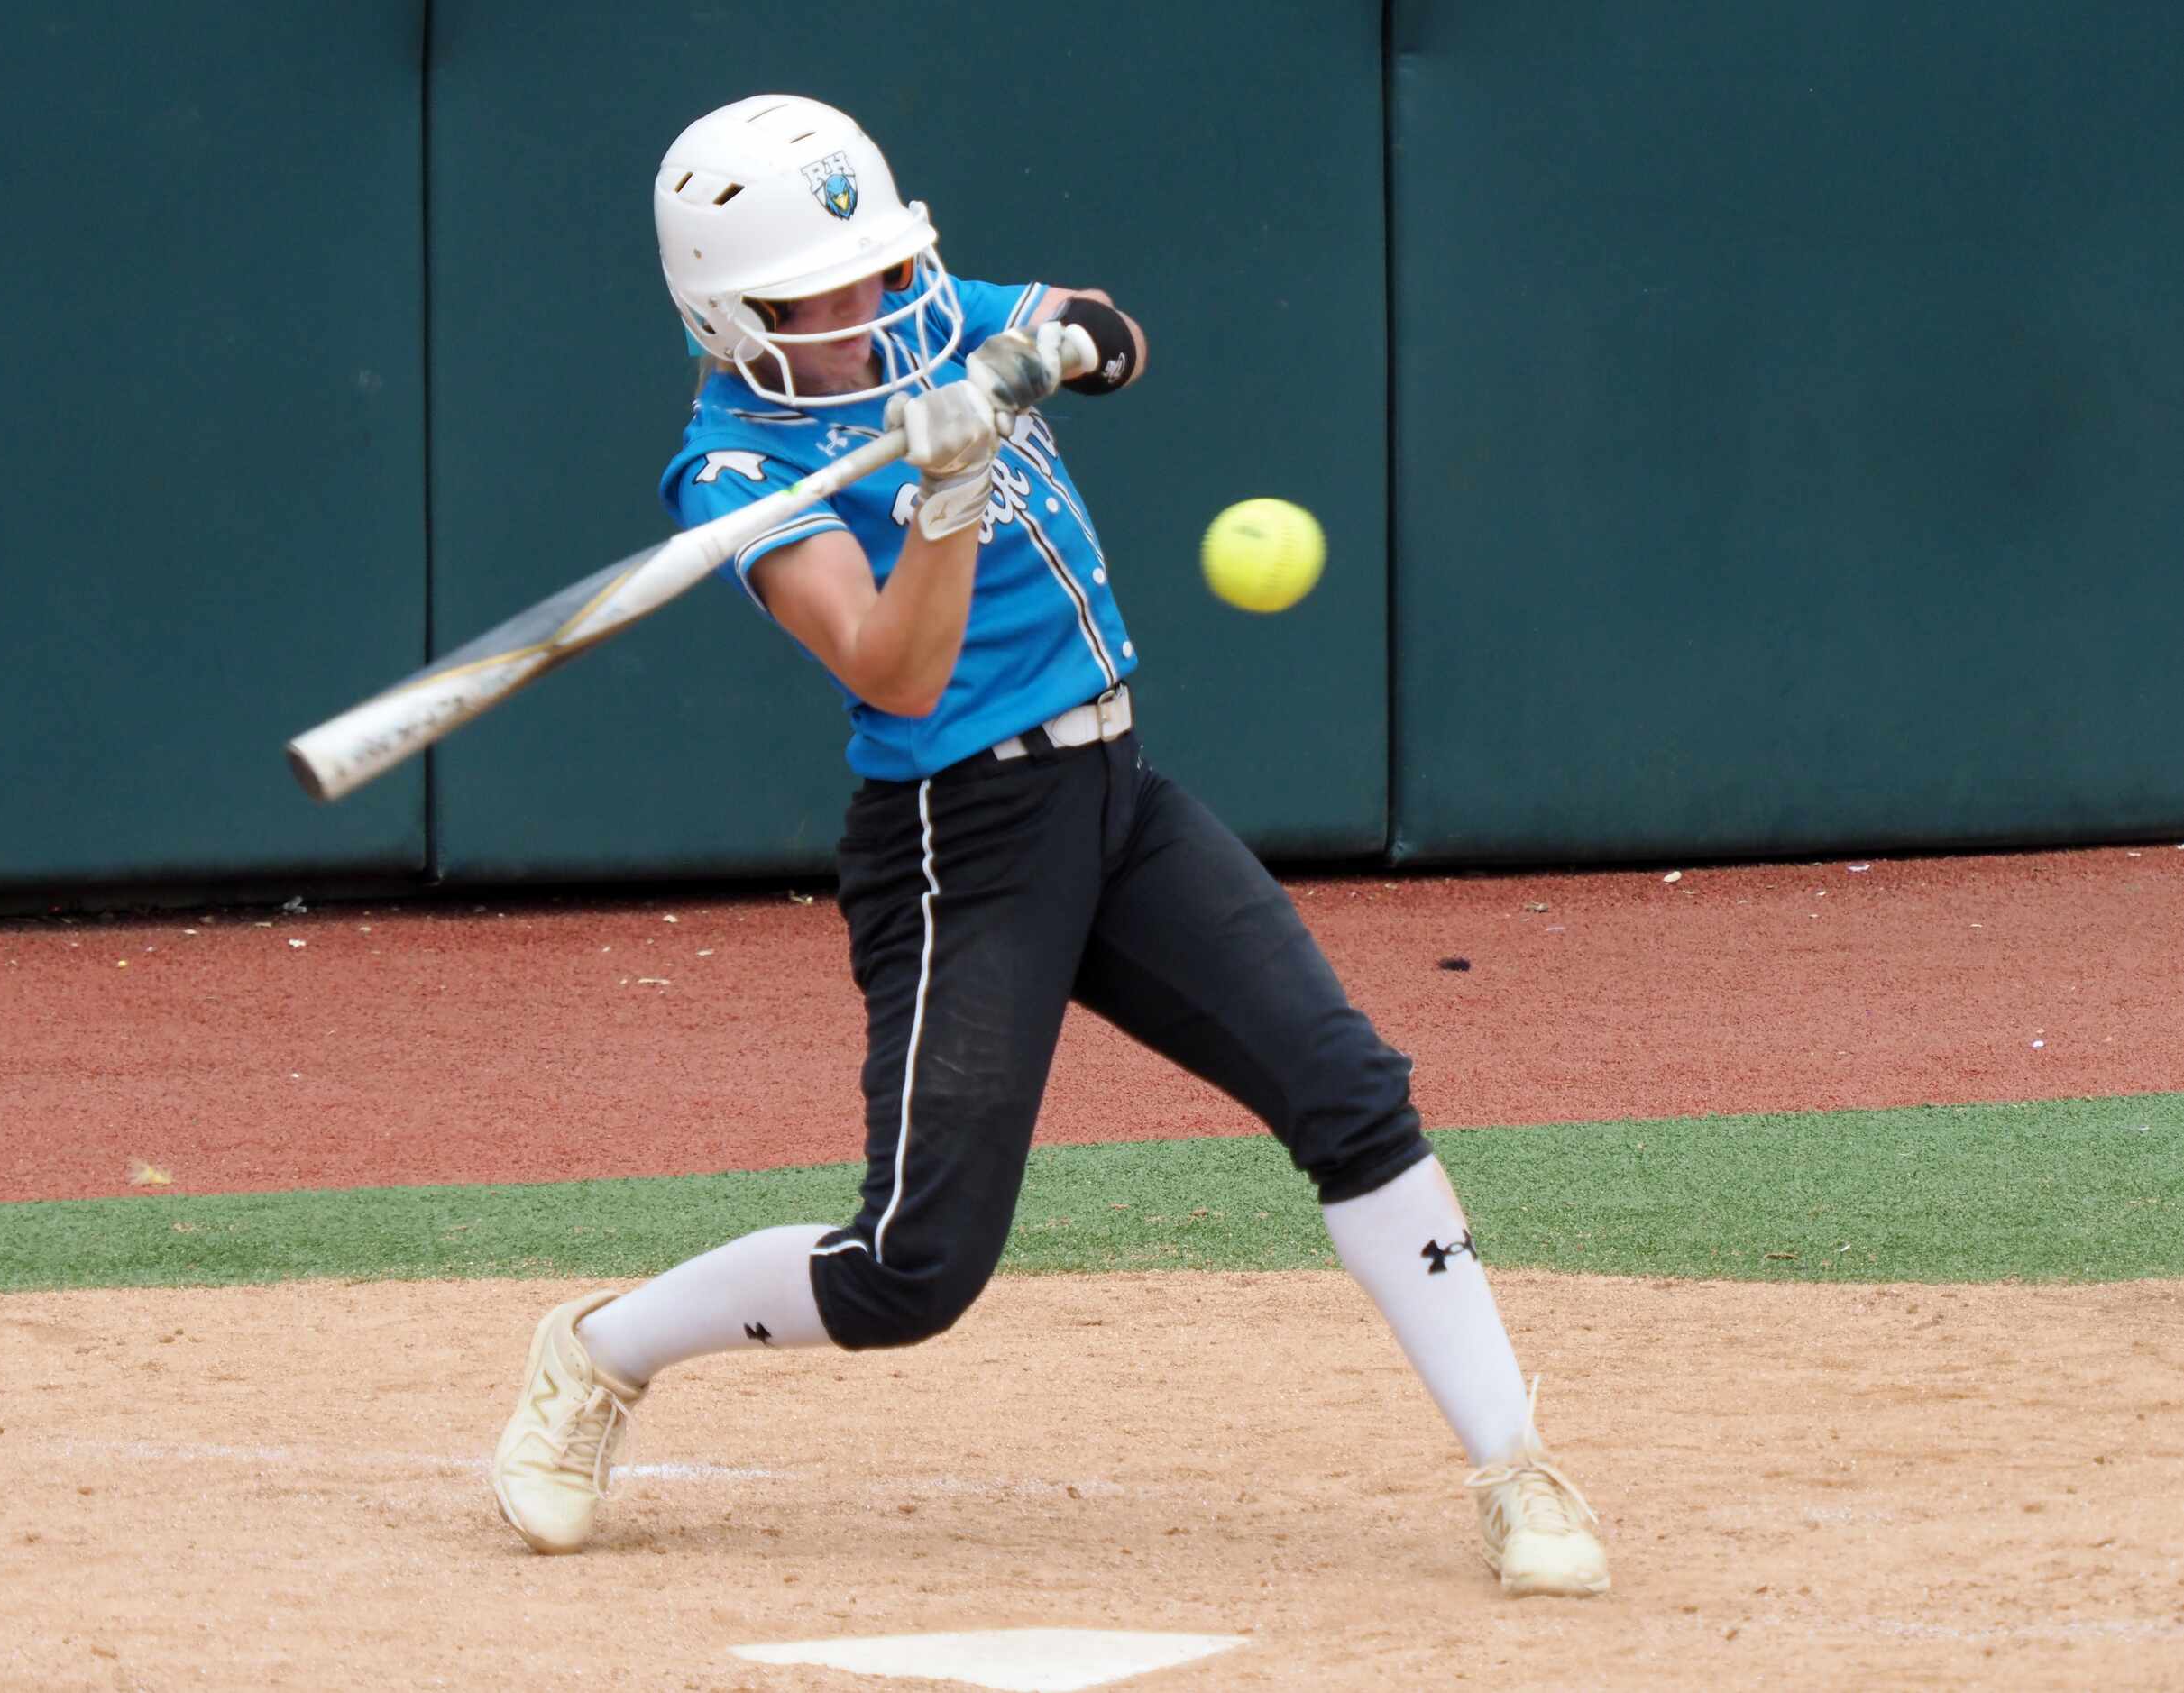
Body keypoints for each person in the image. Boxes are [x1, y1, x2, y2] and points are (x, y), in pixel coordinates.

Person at [490, 94, 1610, 1597]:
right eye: (824, 297)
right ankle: (598, 1350)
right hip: (960, 840)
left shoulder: (922, 308)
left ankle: (1514, 1464)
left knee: (1346, 1091)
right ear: (732, 312)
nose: (874, 311)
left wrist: (1047, 354)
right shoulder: (738, 473)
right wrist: (942, 492)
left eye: (881, 274)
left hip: (1116, 794)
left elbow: (1103, 323)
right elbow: (895, 670)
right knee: (910, 1268)